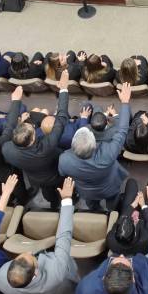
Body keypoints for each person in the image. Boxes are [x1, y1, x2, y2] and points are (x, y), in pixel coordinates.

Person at [59, 83, 131, 211]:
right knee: (112, 202)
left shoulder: (64, 159)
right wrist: (125, 102)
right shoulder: (108, 153)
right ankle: (112, 210)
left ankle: (94, 210)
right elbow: (123, 130)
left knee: (91, 204)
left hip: (86, 191)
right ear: (94, 144)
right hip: (109, 188)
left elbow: (62, 173)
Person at [3, 74, 68, 208]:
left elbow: (9, 126)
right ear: (33, 138)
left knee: (48, 194)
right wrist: (63, 89)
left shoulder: (7, 149)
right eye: (32, 128)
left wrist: (16, 102)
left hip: (34, 178)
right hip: (55, 176)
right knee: (58, 190)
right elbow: (60, 119)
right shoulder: (47, 146)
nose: (33, 125)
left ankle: (53, 202)